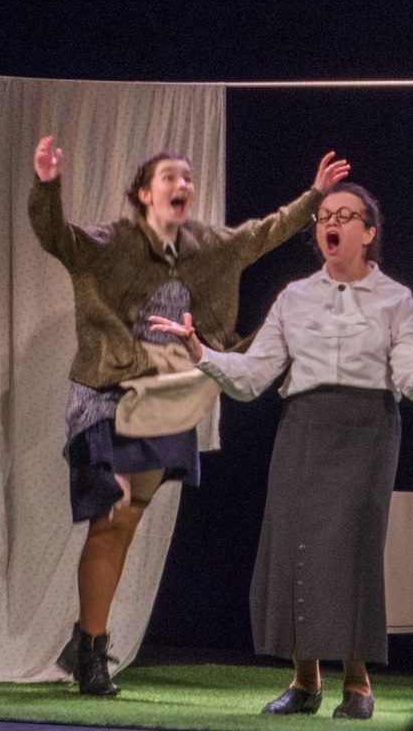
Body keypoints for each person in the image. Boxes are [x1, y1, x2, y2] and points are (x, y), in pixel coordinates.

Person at [149, 182, 413, 720]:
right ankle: (304, 682)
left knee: (351, 551)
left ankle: (358, 683)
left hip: (368, 430)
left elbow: (412, 377)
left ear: (368, 233)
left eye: (345, 215)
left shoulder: (395, 298)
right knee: (295, 546)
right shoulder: (295, 296)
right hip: (303, 427)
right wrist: (200, 351)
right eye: (324, 215)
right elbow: (253, 376)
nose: (331, 222)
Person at [29, 138, 351, 697]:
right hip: (108, 391)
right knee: (112, 510)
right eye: (169, 177)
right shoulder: (113, 242)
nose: (182, 185)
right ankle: (93, 653)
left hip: (169, 395)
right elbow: (57, 236)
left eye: (187, 178)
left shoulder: (209, 246)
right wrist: (47, 184)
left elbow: (263, 233)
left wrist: (313, 196)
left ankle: (85, 642)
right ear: (143, 193)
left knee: (126, 523)